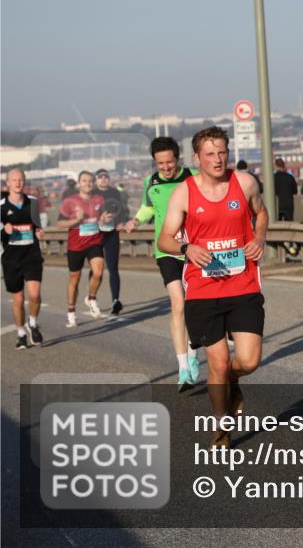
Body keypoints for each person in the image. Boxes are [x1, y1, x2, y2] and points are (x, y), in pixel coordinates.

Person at [158, 126, 268, 448]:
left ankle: (234, 381)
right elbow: (166, 237)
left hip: (243, 284)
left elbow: (261, 214)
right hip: (203, 291)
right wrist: (185, 249)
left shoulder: (244, 183)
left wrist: (259, 237)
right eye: (210, 154)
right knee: (217, 363)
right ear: (197, 157)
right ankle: (222, 427)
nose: (218, 160)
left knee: (248, 361)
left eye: (222, 152)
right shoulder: (185, 192)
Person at [124, 137, 201, 391]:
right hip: (166, 250)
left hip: (193, 250)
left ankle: (192, 352)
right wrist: (135, 220)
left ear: (178, 158)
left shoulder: (193, 177)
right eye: (160, 163)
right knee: (177, 304)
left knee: (193, 305)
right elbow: (148, 208)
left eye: (169, 162)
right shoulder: (151, 181)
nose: (166, 167)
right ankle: (182, 368)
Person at [58, 171, 112, 326]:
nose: (87, 183)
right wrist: (76, 219)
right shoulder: (70, 201)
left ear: (93, 183)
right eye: (84, 181)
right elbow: (60, 224)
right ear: (79, 183)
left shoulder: (99, 199)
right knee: (74, 279)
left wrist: (103, 219)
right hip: (76, 245)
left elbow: (100, 218)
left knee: (99, 271)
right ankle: (71, 311)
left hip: (94, 241)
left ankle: (91, 298)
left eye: (90, 181)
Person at [2, 168, 45, 349]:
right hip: (12, 259)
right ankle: (21, 333)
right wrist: (4, 232)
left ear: (24, 182)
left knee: (34, 294)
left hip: (32, 255)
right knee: (18, 300)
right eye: (14, 180)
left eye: (21, 180)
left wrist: (39, 232)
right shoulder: (1, 206)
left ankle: (33, 323)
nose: (18, 183)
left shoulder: (33, 203)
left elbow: (37, 227)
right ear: (8, 184)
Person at [95, 169, 129, 315]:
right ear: (96, 179)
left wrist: (121, 222)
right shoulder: (92, 193)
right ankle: (92, 298)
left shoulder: (115, 192)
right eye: (100, 177)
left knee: (113, 267)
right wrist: (99, 219)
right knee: (97, 269)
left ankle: (115, 300)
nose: (103, 179)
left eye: (106, 177)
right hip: (95, 234)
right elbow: (87, 212)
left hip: (112, 233)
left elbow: (122, 210)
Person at [273, 158, 298, 222]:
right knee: (289, 224)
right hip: (288, 204)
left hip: (277, 204)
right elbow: (295, 191)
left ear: (275, 166)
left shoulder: (273, 178)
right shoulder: (290, 177)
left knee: (276, 224)